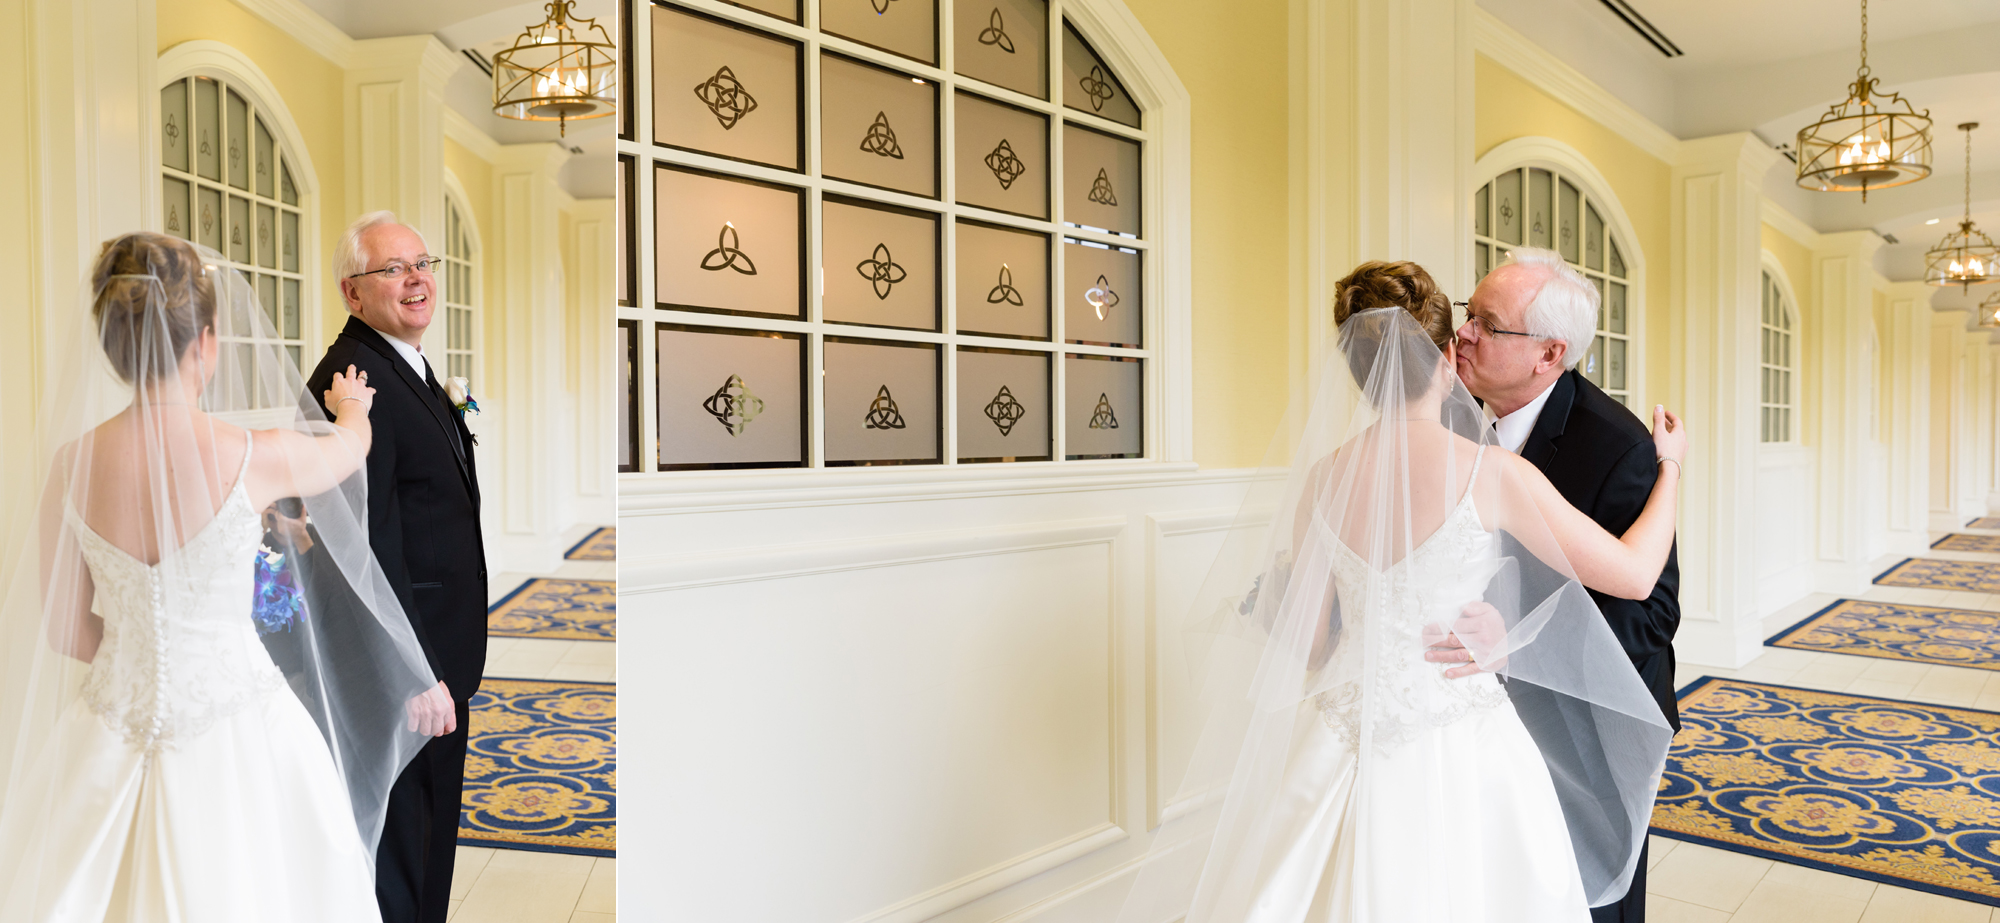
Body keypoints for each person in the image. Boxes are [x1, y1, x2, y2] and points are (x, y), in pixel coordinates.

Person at [1116, 260, 1686, 923]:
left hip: (1339, 729)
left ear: (1357, 372)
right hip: (1459, 729)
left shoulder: (1322, 480)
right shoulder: (1491, 473)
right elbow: (1638, 573)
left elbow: (1310, 640)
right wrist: (1671, 465)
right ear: (1447, 357)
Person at [0, 232, 441, 920]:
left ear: (114, 345)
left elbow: (63, 626)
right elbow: (349, 452)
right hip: (238, 722)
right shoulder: (248, 455)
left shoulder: (70, 465)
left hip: (109, 725)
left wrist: (137, 665)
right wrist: (353, 407)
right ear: (205, 342)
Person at [1452, 247, 1680, 923]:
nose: (1462, 333)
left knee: (1590, 891)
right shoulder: (1448, 415)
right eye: (1467, 314)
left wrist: (1518, 641)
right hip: (1469, 709)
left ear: (1549, 355)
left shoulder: (1618, 446)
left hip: (1588, 720)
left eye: (1486, 323)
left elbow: (1651, 611)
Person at [307, 211, 487, 923]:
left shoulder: (403, 366)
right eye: (394, 268)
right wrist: (410, 669)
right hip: (412, 666)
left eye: (422, 263)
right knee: (405, 851)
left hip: (439, 652)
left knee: (430, 837)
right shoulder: (351, 379)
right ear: (353, 293)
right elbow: (363, 544)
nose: (417, 279)